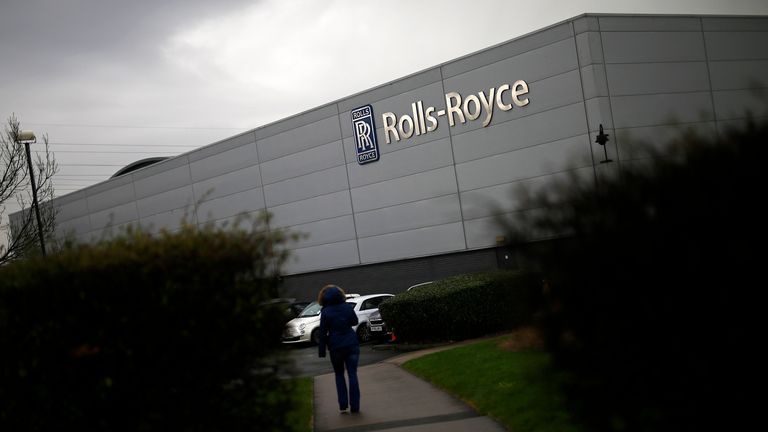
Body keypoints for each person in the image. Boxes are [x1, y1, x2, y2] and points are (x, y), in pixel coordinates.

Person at [317, 284, 360, 414]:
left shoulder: (325, 312)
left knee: (339, 374)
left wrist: (322, 350)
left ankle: (343, 404)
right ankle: (355, 406)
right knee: (353, 375)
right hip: (351, 344)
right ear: (341, 295)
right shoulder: (347, 307)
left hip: (336, 347)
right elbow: (354, 322)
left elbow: (323, 333)